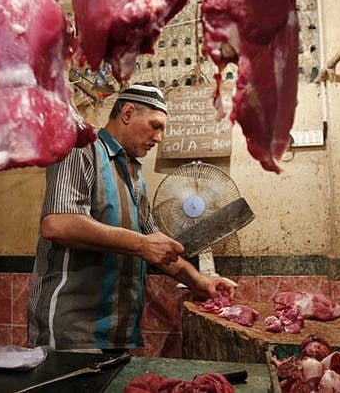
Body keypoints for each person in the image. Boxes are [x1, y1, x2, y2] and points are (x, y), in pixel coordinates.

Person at [27, 84, 236, 351]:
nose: (159, 137)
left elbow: (154, 244)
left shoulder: (134, 175)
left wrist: (200, 281)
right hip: (72, 332)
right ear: (127, 113)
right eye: (155, 125)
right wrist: (141, 244)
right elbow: (58, 223)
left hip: (117, 333)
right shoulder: (81, 147)